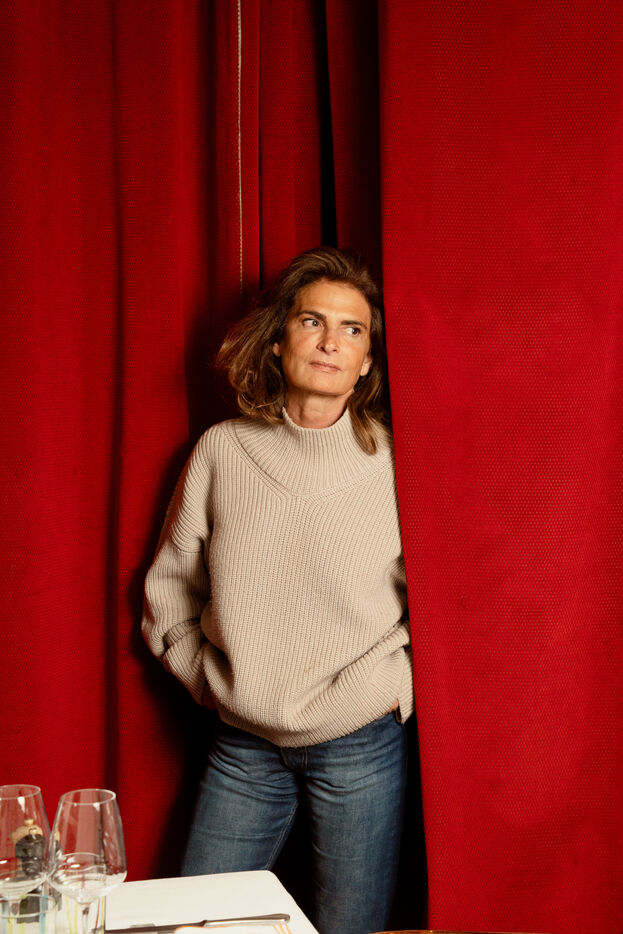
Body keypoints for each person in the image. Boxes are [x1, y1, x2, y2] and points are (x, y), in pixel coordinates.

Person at [142, 246, 413, 934]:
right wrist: (206, 680)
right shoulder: (223, 450)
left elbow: (449, 601)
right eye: (312, 321)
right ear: (277, 340)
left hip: (359, 740)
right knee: (193, 927)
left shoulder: (398, 465)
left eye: (352, 329)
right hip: (242, 744)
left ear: (367, 362)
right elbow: (170, 584)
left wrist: (397, 684)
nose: (330, 342)